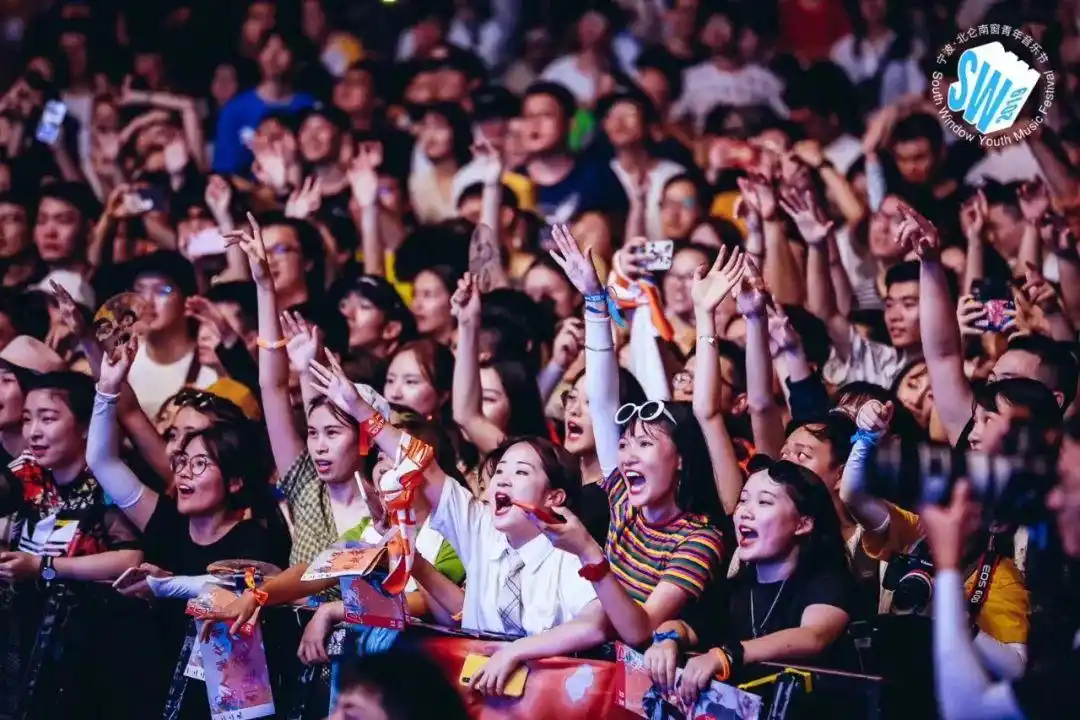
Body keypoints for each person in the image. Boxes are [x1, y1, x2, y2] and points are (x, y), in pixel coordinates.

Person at [644, 459, 856, 704]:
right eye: (743, 500)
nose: (744, 511)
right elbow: (684, 626)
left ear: (803, 523)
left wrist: (727, 655)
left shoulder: (829, 581)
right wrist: (665, 640)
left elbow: (812, 636)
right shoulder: (735, 589)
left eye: (764, 502)